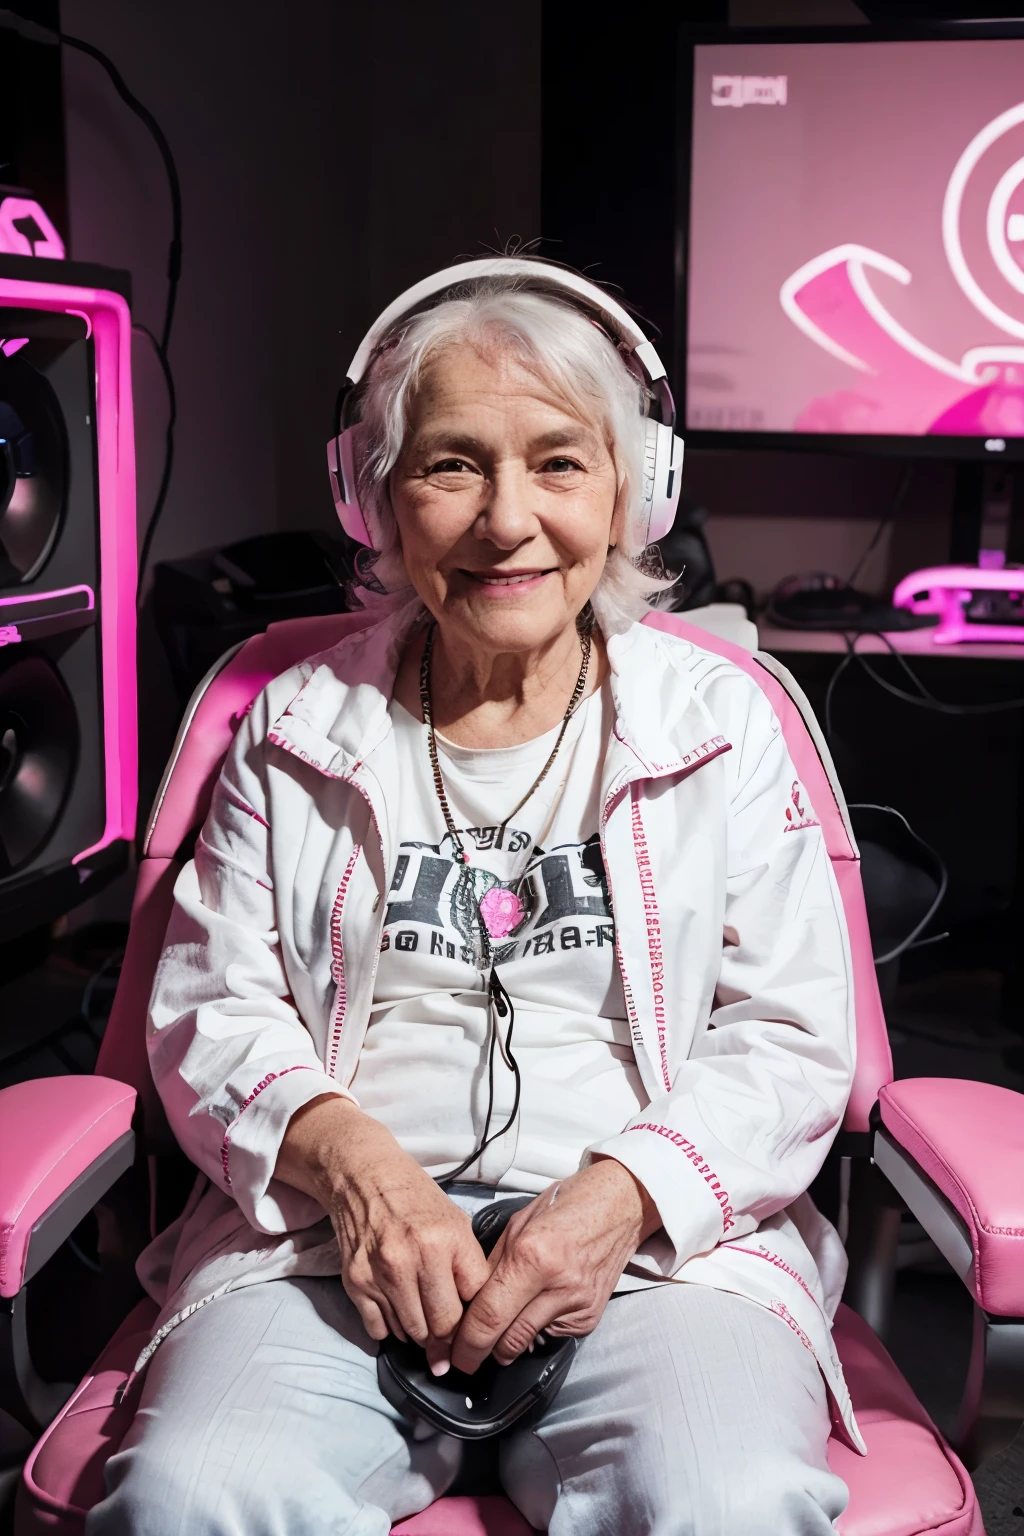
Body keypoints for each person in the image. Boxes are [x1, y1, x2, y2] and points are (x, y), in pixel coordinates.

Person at [89, 262, 860, 1536]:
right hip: (330, 1249)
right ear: (375, 501)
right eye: (452, 467)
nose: (507, 520)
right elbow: (210, 1010)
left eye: (559, 463)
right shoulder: (294, 727)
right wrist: (360, 1171)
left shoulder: (723, 720)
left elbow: (789, 1035)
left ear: (633, 492)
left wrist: (617, 1197)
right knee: (193, 1499)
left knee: (728, 1501)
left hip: (661, 1256)